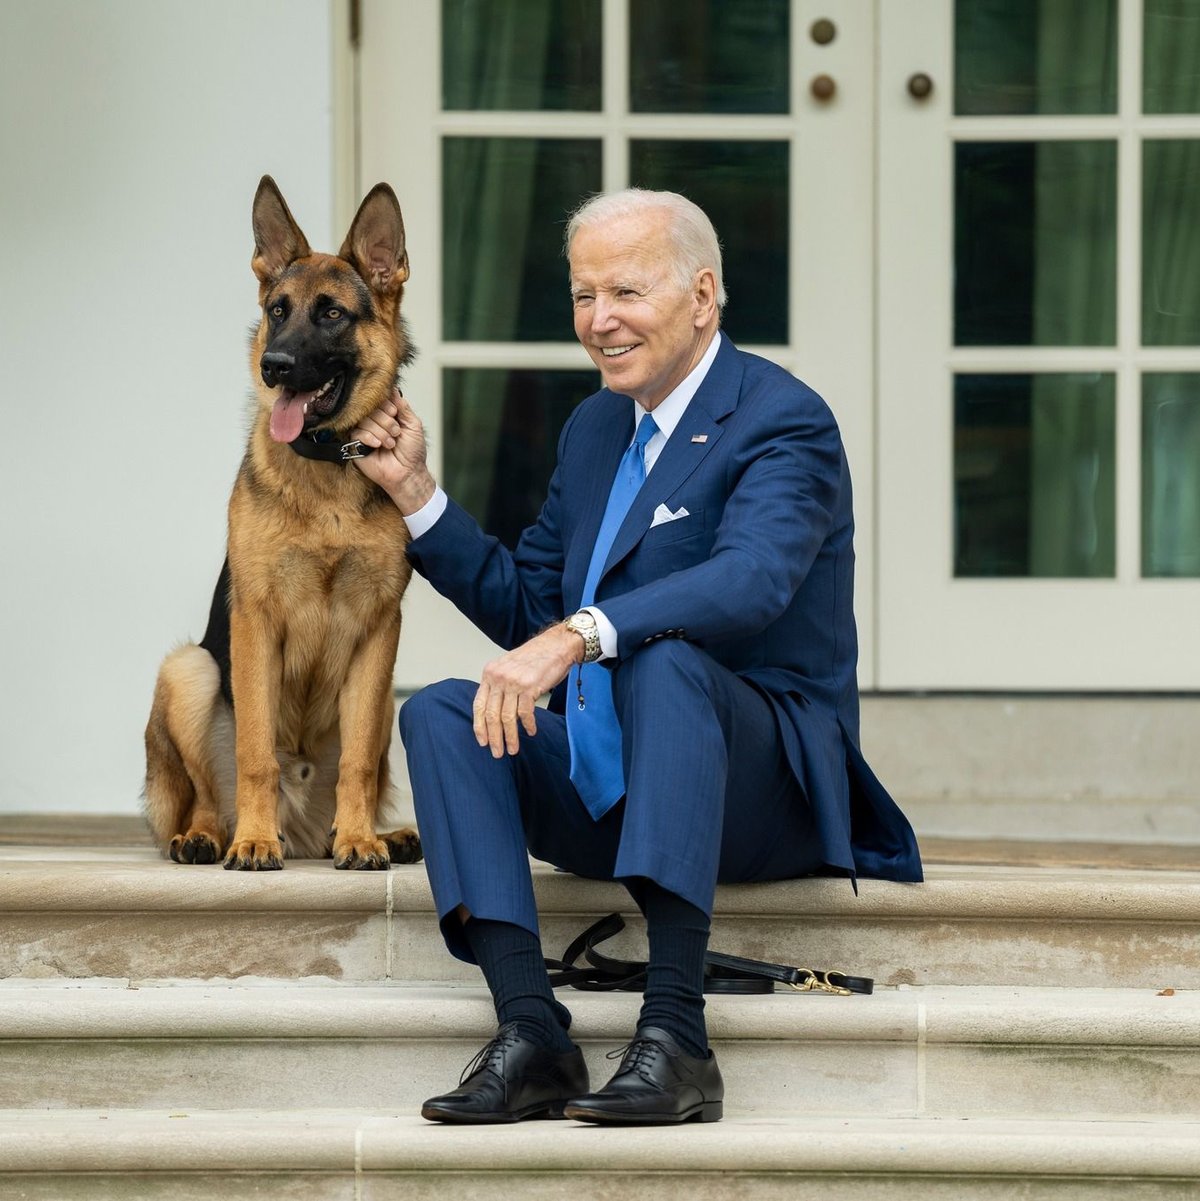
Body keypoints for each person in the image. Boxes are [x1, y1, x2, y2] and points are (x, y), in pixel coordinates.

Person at [350, 189, 922, 1126]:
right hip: (616, 781)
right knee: (444, 713)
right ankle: (531, 1029)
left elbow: (750, 581)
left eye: (626, 291)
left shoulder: (783, 419)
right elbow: (534, 608)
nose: (599, 320)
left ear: (702, 296)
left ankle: (677, 1034)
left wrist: (578, 636)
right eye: (583, 295)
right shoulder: (594, 428)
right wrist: (417, 494)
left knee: (663, 661)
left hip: (757, 789)